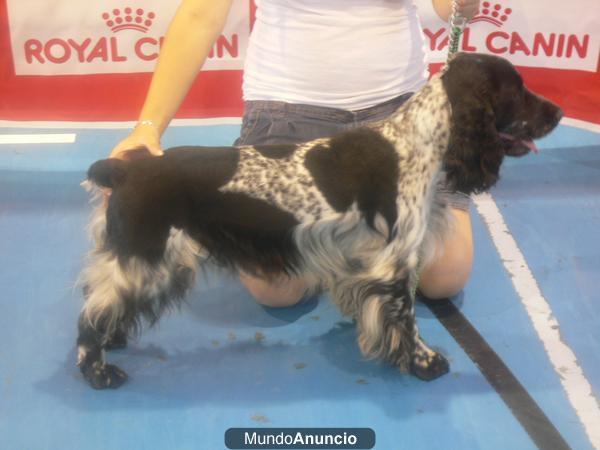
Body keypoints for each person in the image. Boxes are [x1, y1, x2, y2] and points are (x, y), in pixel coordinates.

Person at [109, 0, 480, 307]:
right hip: (286, 115)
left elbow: (450, 7)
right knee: (277, 290)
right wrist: (148, 128)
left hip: (399, 110)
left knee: (445, 277)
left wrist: (462, 5)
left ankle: (342, 232)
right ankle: (353, 232)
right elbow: (199, 15)